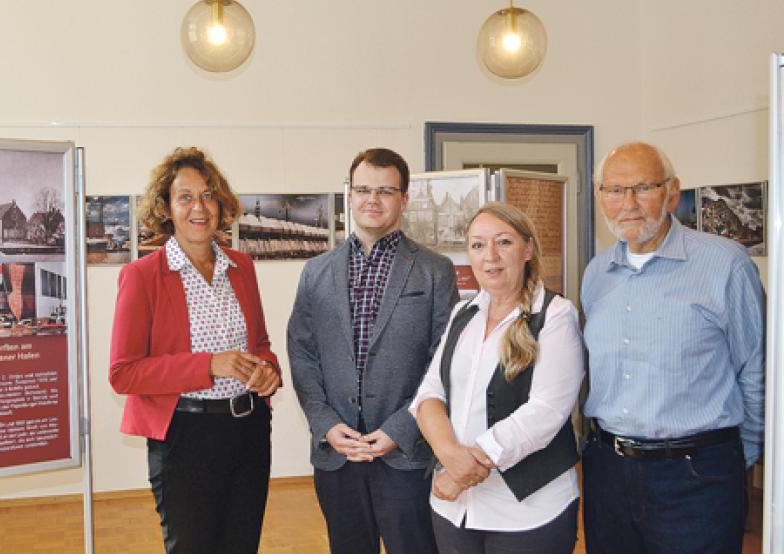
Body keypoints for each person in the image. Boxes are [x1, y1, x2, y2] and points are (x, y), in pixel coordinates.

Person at [581, 142, 765, 553]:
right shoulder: (596, 274)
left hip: (696, 476)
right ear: (600, 197)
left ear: (672, 193)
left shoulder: (725, 265)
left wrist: (738, 458)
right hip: (608, 472)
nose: (628, 203)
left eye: (643, 187)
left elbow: (757, 369)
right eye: (614, 190)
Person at [108, 146, 281, 554]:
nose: (198, 207)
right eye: (185, 197)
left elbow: (260, 345)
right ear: (166, 207)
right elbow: (124, 373)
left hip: (249, 431)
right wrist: (209, 365)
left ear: (221, 204)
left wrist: (270, 371)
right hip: (184, 436)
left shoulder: (242, 267)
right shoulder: (142, 276)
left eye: (208, 195)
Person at [287, 147, 457, 554]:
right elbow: (302, 354)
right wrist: (326, 423)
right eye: (364, 189)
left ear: (404, 198)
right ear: (350, 193)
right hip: (337, 454)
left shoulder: (435, 271)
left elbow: (444, 360)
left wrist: (400, 429)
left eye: (385, 190)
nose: (373, 200)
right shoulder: (316, 272)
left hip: (405, 453)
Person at [411, 202, 584, 553]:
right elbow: (430, 391)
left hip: (528, 511)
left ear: (528, 249)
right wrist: (448, 454)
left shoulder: (555, 315)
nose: (490, 255)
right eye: (477, 245)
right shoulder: (464, 312)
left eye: (503, 242)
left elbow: (546, 412)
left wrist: (464, 468)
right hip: (453, 509)